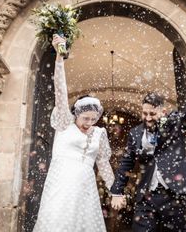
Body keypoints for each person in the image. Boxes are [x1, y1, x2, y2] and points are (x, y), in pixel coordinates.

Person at [110, 57, 186, 231]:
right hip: (146, 197)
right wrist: (117, 191)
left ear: (163, 111)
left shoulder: (175, 123)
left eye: (152, 114)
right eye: (145, 113)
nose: (148, 118)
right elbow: (126, 163)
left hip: (175, 195)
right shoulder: (135, 133)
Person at [33, 34, 117, 232]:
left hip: (86, 189)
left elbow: (103, 164)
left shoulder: (99, 134)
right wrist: (59, 58)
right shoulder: (64, 123)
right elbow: (60, 92)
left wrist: (116, 190)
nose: (89, 123)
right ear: (76, 114)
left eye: (93, 119)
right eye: (85, 118)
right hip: (61, 184)